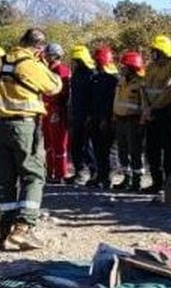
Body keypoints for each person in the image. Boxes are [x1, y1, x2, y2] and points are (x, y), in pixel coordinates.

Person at [0, 28, 62, 252]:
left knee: (4, 179)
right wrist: (42, 63)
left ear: (20, 41)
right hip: (24, 127)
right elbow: (55, 86)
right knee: (33, 176)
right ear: (39, 47)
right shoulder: (31, 65)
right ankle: (22, 230)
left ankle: (4, 231)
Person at [142, 35, 171, 195]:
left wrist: (153, 109)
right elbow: (144, 88)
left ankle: (169, 184)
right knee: (152, 150)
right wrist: (146, 108)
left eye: (155, 50)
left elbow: (168, 92)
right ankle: (156, 182)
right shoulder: (150, 67)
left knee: (168, 150)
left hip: (166, 113)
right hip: (150, 113)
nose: (152, 53)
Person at [113, 50, 146, 191]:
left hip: (134, 120)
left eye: (124, 66)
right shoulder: (121, 81)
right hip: (120, 120)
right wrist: (114, 115)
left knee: (135, 151)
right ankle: (126, 178)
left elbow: (144, 103)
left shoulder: (140, 83)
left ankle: (136, 180)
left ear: (132, 67)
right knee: (122, 150)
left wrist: (142, 121)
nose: (122, 68)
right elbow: (117, 99)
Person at [89, 47, 119, 189]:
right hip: (95, 118)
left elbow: (111, 102)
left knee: (108, 149)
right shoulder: (96, 78)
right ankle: (100, 175)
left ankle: (108, 177)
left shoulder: (112, 79)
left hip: (106, 119)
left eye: (97, 61)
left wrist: (106, 119)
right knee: (97, 148)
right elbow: (92, 100)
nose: (95, 64)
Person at [67, 44, 96, 185]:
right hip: (76, 114)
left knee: (87, 146)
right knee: (75, 146)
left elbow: (94, 98)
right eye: (75, 60)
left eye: (78, 59)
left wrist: (90, 115)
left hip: (87, 115)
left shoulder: (92, 74)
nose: (76, 62)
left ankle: (94, 172)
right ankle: (79, 171)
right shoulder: (76, 73)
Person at [43, 43, 72, 183]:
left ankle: (61, 173)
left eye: (49, 54)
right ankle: (50, 172)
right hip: (46, 109)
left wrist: (57, 110)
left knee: (59, 143)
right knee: (48, 143)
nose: (46, 57)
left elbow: (63, 93)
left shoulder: (62, 70)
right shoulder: (47, 69)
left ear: (56, 55)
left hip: (57, 110)